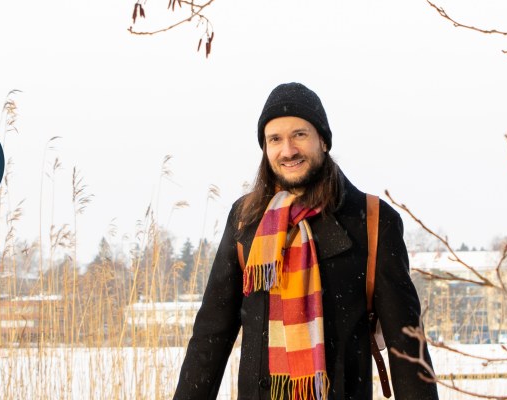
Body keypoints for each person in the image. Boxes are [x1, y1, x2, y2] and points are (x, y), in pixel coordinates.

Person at [173, 82, 439, 400]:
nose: (288, 150)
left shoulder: (372, 222)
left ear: (323, 140)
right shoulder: (246, 220)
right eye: (275, 139)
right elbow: (210, 336)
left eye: (299, 134)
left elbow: (407, 348)